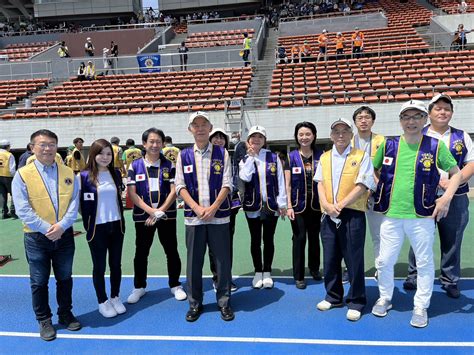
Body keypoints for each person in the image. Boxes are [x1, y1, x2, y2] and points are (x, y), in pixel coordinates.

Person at [371, 100, 461, 328]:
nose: (411, 121)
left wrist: (446, 198)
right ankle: (385, 297)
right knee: (384, 260)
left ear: (424, 120)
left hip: (422, 216)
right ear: (400, 121)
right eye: (406, 117)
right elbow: (374, 168)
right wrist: (380, 187)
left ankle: (420, 305)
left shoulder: (435, 146)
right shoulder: (388, 145)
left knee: (424, 262)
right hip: (391, 215)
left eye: (417, 117)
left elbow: (456, 173)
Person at [12, 129, 81, 341]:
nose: (47, 148)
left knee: (65, 278)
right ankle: (44, 319)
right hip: (36, 237)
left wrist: (61, 226)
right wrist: (46, 228)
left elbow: (74, 203)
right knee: (39, 281)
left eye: (51, 144)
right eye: (42, 144)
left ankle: (65, 313)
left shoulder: (68, 172)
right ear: (32, 147)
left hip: (64, 235)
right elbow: (22, 209)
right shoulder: (23, 174)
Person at [403, 95, 473, 298]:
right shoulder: (418, 134)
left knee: (453, 240)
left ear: (451, 113)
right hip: (424, 197)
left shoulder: (462, 136)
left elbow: (471, 163)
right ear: (429, 113)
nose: (442, 112)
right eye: (438, 109)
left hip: (456, 197)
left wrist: (454, 182)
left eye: (447, 109)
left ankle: (450, 280)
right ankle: (413, 276)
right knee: (419, 238)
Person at [175, 112, 234, 322]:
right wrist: (198, 208)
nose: (200, 128)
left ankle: (224, 302)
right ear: (190, 129)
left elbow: (228, 183)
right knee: (194, 263)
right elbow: (179, 186)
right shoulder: (183, 155)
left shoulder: (222, 153)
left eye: (204, 124)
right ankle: (195, 304)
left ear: (210, 128)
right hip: (194, 218)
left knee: (222, 262)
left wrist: (214, 207)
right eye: (195, 125)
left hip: (219, 218)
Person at [314, 118, 375, 322]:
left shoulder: (361, 155)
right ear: (331, 135)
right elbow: (320, 183)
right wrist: (327, 205)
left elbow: (363, 185)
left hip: (351, 213)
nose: (340, 135)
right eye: (336, 131)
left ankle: (356, 300)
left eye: (345, 131)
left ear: (351, 134)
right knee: (330, 257)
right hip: (328, 214)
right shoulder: (325, 157)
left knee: (354, 259)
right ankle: (333, 296)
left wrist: (340, 205)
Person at [126, 128, 186, 304]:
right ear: (144, 144)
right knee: (141, 252)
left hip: (166, 216)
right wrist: (152, 212)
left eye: (158, 141)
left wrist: (161, 211)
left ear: (163, 144)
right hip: (144, 217)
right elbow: (132, 193)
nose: (154, 145)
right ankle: (139, 287)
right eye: (151, 141)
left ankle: (175, 285)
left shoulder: (170, 165)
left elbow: (174, 190)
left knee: (172, 251)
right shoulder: (134, 165)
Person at [79, 139, 126, 318]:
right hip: (96, 229)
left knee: (116, 265)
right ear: (93, 154)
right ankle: (102, 301)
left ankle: (115, 297)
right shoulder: (83, 177)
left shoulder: (115, 173)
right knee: (99, 267)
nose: (105, 157)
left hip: (116, 225)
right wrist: (88, 222)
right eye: (101, 153)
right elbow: (78, 204)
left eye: (109, 154)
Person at [239, 125, 287, 290]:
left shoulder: (273, 158)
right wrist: (251, 158)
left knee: (268, 239)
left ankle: (267, 271)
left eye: (260, 137)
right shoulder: (244, 159)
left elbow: (280, 180)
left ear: (264, 140)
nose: (257, 139)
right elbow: (245, 176)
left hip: (270, 205)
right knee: (254, 240)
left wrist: (282, 203)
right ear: (249, 141)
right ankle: (258, 271)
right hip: (252, 205)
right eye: (253, 137)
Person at [285, 122, 323, 290]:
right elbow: (287, 185)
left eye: (308, 134)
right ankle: (299, 275)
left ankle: (314, 269)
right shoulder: (291, 156)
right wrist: (288, 206)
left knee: (315, 238)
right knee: (299, 239)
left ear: (313, 136)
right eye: (301, 134)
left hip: (317, 204)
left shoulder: (322, 155)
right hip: (297, 205)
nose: (304, 137)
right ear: (297, 137)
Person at [351, 106, 385, 264]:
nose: (363, 120)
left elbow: (386, 169)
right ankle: (350, 267)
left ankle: (380, 267)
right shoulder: (348, 141)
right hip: (352, 194)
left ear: (373, 120)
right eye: (360, 118)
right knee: (351, 235)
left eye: (367, 117)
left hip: (375, 194)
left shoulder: (382, 141)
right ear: (355, 122)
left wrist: (375, 187)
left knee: (378, 234)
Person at [208, 128, 239, 292]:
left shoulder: (230, 158)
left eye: (222, 138)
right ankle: (216, 277)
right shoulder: (205, 157)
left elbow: (233, 182)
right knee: (212, 246)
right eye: (215, 137)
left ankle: (226, 277)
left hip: (228, 207)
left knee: (226, 244)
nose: (218, 140)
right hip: (207, 208)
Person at [0, 139, 16, 219]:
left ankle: (4, 212)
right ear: (7, 146)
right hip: (7, 176)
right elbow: (12, 168)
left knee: (2, 194)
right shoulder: (9, 155)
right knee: (14, 193)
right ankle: (13, 210)